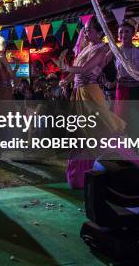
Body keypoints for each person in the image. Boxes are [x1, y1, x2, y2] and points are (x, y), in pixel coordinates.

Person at [55, 20, 127, 189]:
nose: (85, 33)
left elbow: (85, 69)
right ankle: (80, 176)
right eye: (85, 31)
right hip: (79, 94)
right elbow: (77, 71)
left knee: (99, 131)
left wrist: (65, 67)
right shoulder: (87, 48)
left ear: (100, 33)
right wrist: (65, 81)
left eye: (88, 31)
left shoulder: (101, 50)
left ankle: (116, 168)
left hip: (91, 94)